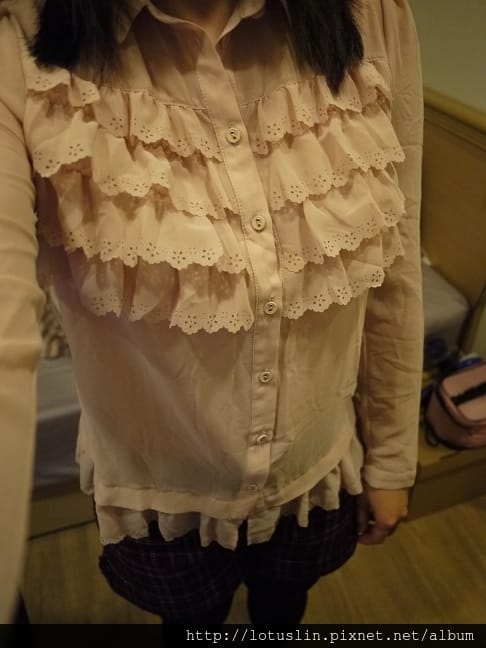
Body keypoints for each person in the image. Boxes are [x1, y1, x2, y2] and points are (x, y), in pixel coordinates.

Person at [0, 0, 424, 629]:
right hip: (159, 502)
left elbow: (398, 261)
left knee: (285, 612)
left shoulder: (372, 15)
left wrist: (391, 458)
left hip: (316, 477)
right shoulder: (23, 42)